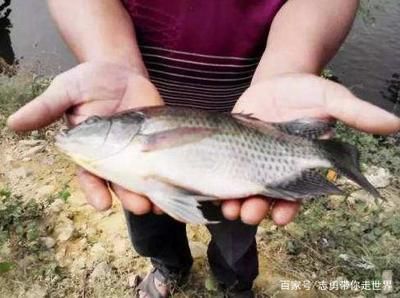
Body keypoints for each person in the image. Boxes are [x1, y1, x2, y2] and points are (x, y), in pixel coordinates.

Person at [7, 0, 400, 297]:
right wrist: (107, 55)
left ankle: (234, 284)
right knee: (149, 224)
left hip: (253, 102)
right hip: (131, 91)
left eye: (93, 127)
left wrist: (292, 62)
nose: (81, 129)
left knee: (236, 238)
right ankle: (169, 267)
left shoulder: (142, 138)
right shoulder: (128, 148)